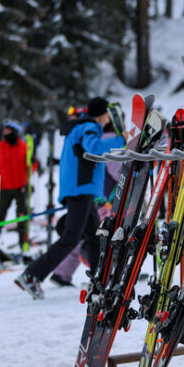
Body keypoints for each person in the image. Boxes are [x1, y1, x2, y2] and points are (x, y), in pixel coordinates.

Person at [15, 97, 127, 299]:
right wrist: (122, 140)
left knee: (95, 237)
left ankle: (100, 280)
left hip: (82, 190)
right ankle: (32, 274)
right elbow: (94, 148)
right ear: (104, 114)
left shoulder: (80, 126)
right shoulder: (89, 127)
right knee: (71, 239)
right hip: (81, 190)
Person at [0, 120, 29, 250]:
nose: (5, 132)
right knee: (1, 214)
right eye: (4, 130)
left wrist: (34, 162)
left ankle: (23, 243)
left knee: (21, 216)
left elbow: (31, 166)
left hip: (20, 187)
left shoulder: (23, 146)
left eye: (8, 130)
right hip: (5, 187)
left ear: (14, 132)